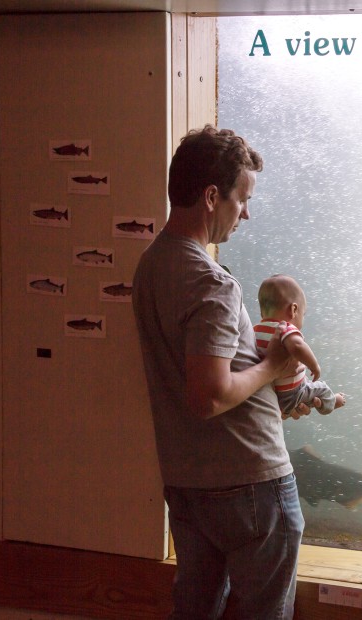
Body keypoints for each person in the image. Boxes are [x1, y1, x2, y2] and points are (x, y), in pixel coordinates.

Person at [132, 125, 313, 619]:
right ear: (212, 197)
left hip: (188, 483)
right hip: (249, 479)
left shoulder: (151, 266)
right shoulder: (211, 281)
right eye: (242, 198)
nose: (246, 213)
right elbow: (208, 395)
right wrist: (275, 366)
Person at [254, 274, 346, 417]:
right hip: (291, 393)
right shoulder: (285, 328)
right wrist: (314, 366)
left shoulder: (255, 330)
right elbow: (297, 346)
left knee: (308, 393)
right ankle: (331, 403)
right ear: (294, 310)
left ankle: (318, 402)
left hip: (272, 395)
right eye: (303, 314)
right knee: (321, 388)